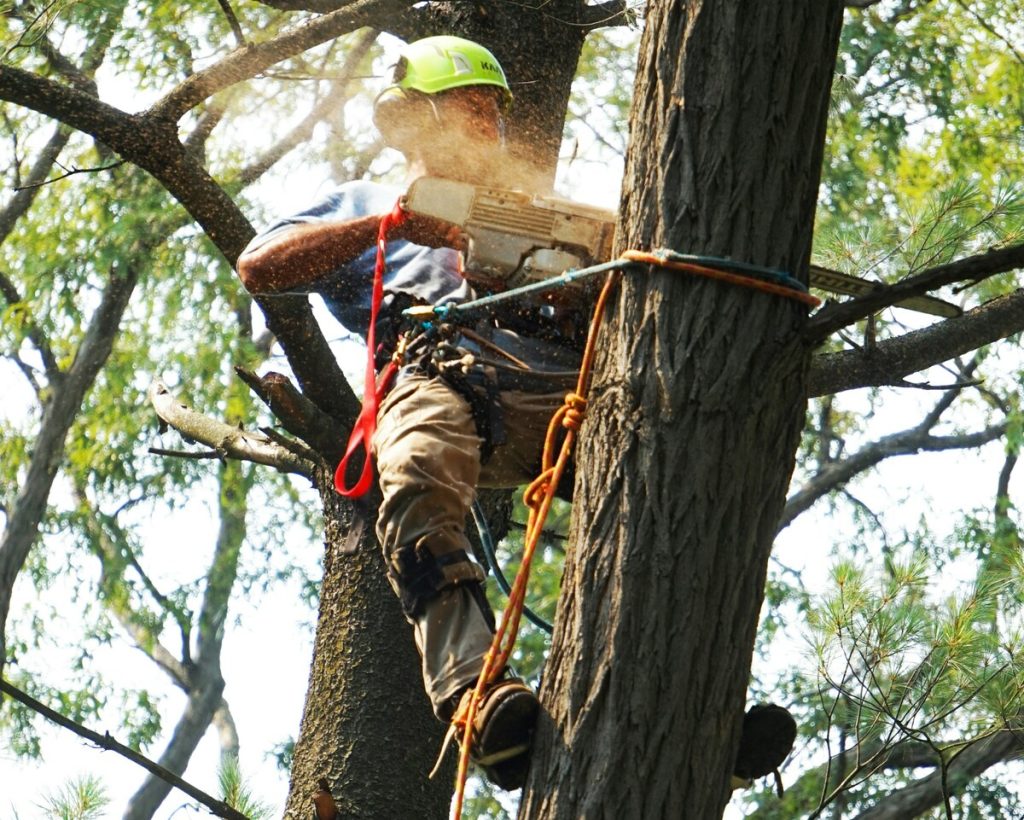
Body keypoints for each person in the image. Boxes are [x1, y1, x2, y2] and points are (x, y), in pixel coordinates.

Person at [237, 35, 796, 794]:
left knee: (674, 475)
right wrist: (396, 227)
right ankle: (476, 697)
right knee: (418, 470)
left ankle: (697, 708)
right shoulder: (366, 204)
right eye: (471, 108)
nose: (489, 127)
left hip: (561, 385)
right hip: (441, 374)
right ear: (414, 120)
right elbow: (260, 268)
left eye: (495, 112)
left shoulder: (536, 212)